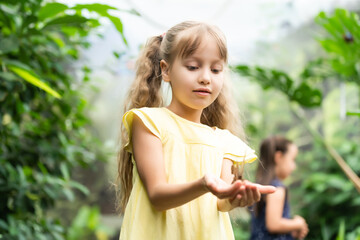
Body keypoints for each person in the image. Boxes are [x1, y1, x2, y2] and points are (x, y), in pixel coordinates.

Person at [116, 21, 276, 240]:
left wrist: (235, 197)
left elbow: (222, 202)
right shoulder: (148, 122)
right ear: (166, 70)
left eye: (216, 69)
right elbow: (158, 195)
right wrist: (203, 184)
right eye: (193, 67)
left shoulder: (223, 140)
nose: (205, 77)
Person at [250, 136, 309, 240]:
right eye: (292, 159)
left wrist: (291, 233)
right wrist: (298, 224)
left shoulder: (260, 185)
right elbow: (273, 224)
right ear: (278, 157)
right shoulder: (276, 188)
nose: (294, 166)